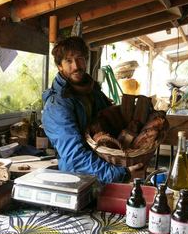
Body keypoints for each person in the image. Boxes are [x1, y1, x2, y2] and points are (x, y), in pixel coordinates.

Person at [42, 37, 143, 184]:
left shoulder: (93, 92)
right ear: (60, 66)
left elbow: (112, 125)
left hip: (106, 171)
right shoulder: (57, 105)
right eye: (69, 61)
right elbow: (74, 156)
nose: (76, 66)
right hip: (79, 180)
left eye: (80, 58)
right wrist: (120, 174)